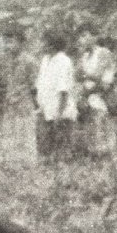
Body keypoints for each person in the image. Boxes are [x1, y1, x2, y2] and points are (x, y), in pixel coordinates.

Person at [34, 30, 77, 158]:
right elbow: (41, 84)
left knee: (62, 150)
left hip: (60, 111)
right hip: (46, 110)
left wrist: (59, 113)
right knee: (46, 149)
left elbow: (63, 90)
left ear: (51, 44)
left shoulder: (64, 61)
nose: (41, 45)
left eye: (44, 42)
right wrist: (39, 106)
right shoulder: (45, 60)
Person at [76, 26, 116, 155]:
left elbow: (99, 76)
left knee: (99, 124)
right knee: (89, 128)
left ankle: (102, 155)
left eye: (85, 36)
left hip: (101, 93)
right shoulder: (85, 55)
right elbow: (77, 75)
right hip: (88, 94)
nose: (82, 40)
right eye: (81, 37)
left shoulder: (103, 52)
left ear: (94, 37)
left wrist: (85, 75)